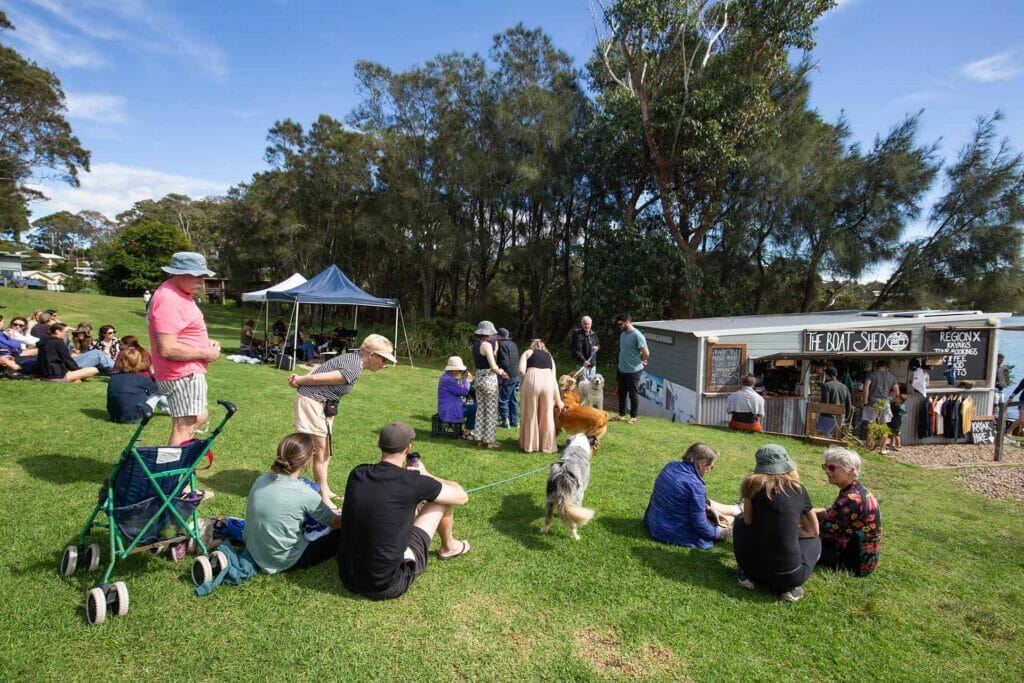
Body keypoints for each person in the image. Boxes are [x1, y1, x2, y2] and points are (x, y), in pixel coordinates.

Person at [338, 422, 470, 600]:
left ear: (379, 445)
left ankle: (449, 546)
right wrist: (426, 475)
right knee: (441, 503)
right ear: (408, 449)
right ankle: (449, 547)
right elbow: (461, 496)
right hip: (386, 584)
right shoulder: (413, 482)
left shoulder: (358, 473)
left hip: (348, 576)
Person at [288, 333, 395, 506]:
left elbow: (321, 369)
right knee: (320, 451)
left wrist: (299, 380)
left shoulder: (352, 359)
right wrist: (299, 380)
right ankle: (322, 497)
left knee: (326, 450)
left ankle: (325, 488)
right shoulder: (353, 366)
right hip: (313, 402)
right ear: (372, 355)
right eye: (384, 359)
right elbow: (316, 377)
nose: (385, 364)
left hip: (323, 405)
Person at [147, 251, 222, 445]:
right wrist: (206, 353)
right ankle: (170, 473)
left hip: (185, 373)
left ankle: (175, 467)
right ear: (178, 273)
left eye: (203, 276)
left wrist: (206, 342)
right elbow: (168, 348)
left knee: (196, 418)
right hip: (181, 374)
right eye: (196, 276)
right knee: (185, 425)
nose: (201, 281)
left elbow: (182, 332)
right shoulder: (169, 299)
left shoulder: (179, 294)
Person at [244, 433, 342, 574]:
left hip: (253, 549)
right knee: (341, 534)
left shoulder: (261, 479)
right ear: (307, 460)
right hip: (285, 559)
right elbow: (334, 523)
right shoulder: (304, 493)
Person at [733, 444, 820, 602]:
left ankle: (744, 574)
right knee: (815, 541)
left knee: (739, 521)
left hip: (752, 569)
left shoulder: (751, 485)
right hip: (789, 576)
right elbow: (814, 530)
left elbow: (747, 520)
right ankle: (791, 589)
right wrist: (788, 532)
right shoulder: (798, 489)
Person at [644, 443, 740, 549]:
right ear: (702, 463)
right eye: (711, 467)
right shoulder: (695, 485)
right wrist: (721, 533)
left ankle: (736, 511)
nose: (709, 471)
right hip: (671, 532)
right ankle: (738, 513)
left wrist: (711, 511)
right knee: (730, 521)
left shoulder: (670, 466)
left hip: (654, 522)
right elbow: (700, 525)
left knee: (722, 517)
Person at [812, 447, 882, 577]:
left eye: (832, 468)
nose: (826, 471)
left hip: (853, 564)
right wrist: (808, 511)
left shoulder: (850, 499)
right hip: (866, 560)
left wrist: (797, 521)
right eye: (825, 466)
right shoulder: (857, 490)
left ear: (850, 470)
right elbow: (833, 512)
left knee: (801, 540)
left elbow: (822, 532)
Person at [518, 339, 564, 454]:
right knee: (547, 414)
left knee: (530, 412)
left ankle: (530, 444)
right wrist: (559, 400)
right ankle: (547, 445)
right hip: (548, 381)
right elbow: (554, 379)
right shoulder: (549, 356)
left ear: (533, 346)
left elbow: (521, 370)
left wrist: (527, 380)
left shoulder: (528, 352)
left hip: (532, 378)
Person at [470, 321, 508, 449]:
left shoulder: (475, 345)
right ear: (488, 333)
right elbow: (493, 366)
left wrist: (495, 350)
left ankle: (479, 438)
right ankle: (490, 442)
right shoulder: (486, 345)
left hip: (479, 378)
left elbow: (482, 360)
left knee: (480, 409)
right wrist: (502, 372)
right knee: (491, 410)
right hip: (489, 380)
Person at [106, 345, 166, 423]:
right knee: (158, 394)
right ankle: (174, 409)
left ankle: (169, 409)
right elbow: (160, 390)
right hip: (137, 417)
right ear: (139, 362)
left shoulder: (113, 377)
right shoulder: (139, 378)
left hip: (115, 417)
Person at [614, 313, 648, 424]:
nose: (619, 326)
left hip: (633, 371)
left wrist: (642, 361)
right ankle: (621, 414)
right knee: (622, 393)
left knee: (633, 394)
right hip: (621, 369)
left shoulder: (638, 335)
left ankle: (633, 417)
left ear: (627, 322)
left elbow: (646, 352)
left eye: (621, 324)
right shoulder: (623, 334)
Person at [36, 323, 100, 382]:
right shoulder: (58, 342)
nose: (66, 334)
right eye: (65, 332)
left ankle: (74, 377)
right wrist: (78, 370)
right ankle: (74, 378)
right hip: (56, 376)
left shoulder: (44, 341)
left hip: (44, 374)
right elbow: (67, 360)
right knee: (94, 370)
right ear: (57, 331)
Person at [436, 356, 476, 437]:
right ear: (452, 369)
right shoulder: (448, 379)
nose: (460, 371)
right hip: (450, 410)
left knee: (473, 406)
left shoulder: (446, 377)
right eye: (459, 370)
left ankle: (467, 430)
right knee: (475, 407)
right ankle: (467, 431)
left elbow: (457, 387)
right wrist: (467, 380)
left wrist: (464, 379)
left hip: (448, 407)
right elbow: (463, 391)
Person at [862, 359, 899, 428]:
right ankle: (883, 439)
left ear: (876, 367)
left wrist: (865, 400)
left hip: (872, 402)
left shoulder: (871, 375)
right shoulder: (891, 377)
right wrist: (890, 399)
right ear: (886, 367)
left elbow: (866, 387)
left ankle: (870, 439)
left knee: (871, 425)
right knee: (884, 426)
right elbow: (897, 392)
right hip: (885, 402)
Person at [495, 327, 521, 429]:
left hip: (508, 376)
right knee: (513, 399)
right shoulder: (513, 344)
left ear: (499, 337)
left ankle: (506, 421)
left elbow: (505, 362)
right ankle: (515, 421)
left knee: (503, 399)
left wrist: (500, 371)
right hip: (516, 375)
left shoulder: (502, 345)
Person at [816, 366, 851, 437]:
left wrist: (819, 414)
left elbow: (825, 403)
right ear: (836, 374)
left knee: (821, 436)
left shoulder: (826, 386)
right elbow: (848, 404)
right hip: (841, 417)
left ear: (826, 374)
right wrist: (847, 416)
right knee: (833, 437)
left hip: (828, 416)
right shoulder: (845, 387)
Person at [570, 315, 600, 380]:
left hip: (592, 365)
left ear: (591, 324)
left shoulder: (593, 334)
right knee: (583, 385)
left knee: (591, 386)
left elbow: (598, 344)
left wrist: (597, 347)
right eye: (585, 324)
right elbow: (576, 350)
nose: (586, 326)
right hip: (582, 365)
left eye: (588, 324)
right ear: (582, 324)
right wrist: (583, 360)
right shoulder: (578, 335)